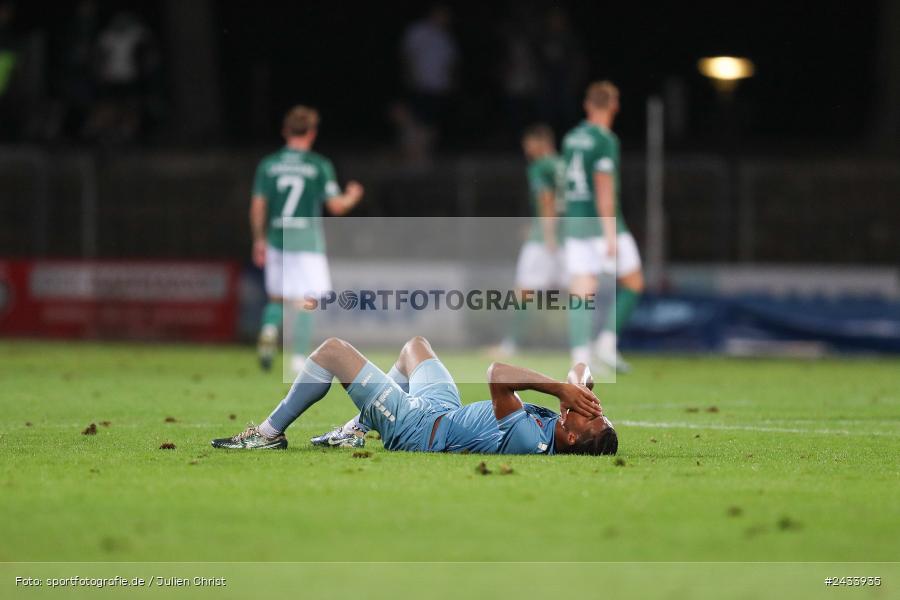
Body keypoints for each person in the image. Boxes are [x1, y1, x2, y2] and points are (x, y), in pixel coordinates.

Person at [211, 336, 618, 456]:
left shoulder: (533, 439)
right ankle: (356, 428)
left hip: (417, 427)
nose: (590, 409)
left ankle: (268, 433)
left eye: (590, 417)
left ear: (568, 437)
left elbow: (497, 375)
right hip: (443, 410)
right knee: (414, 347)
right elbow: (579, 370)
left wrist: (563, 389)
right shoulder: (566, 426)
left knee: (332, 351)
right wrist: (577, 386)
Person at [251, 105, 364, 374]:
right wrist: (353, 195)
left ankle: (268, 329)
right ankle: (297, 357)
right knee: (307, 300)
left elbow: (258, 205)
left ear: (285, 131)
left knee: (277, 298)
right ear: (311, 133)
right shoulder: (318, 166)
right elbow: (336, 207)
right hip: (306, 240)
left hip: (277, 236)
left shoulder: (269, 165)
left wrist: (258, 239)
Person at [561, 81, 644, 373]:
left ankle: (579, 359)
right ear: (614, 106)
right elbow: (603, 186)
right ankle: (607, 343)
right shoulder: (605, 139)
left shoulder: (571, 138)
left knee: (581, 291)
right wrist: (610, 233)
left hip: (574, 223)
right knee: (633, 281)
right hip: (601, 225)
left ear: (587, 105)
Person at [493, 123, 564, 357]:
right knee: (580, 291)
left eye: (529, 145)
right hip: (571, 236)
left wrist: (546, 233)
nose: (527, 150)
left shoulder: (540, 167)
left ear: (541, 142)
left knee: (523, 291)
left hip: (546, 238)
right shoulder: (564, 165)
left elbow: (546, 200)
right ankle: (590, 345)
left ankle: (510, 345)